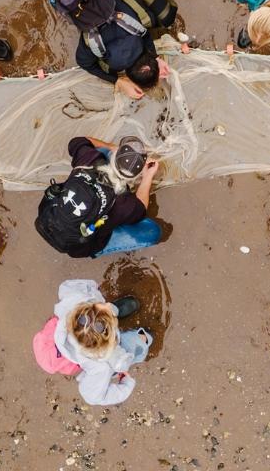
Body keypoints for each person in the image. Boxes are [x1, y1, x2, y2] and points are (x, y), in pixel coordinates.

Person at [45, 0, 177, 100]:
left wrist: (154, 59)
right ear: (127, 74)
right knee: (164, 15)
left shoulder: (138, 25)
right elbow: (84, 63)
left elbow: (146, 34)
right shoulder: (95, 46)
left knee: (165, 14)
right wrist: (117, 80)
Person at [35, 136, 164, 258]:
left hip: (47, 216)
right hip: (79, 246)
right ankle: (99, 246)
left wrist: (110, 147)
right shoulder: (124, 202)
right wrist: (148, 176)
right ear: (133, 177)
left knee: (102, 150)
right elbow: (141, 208)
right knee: (153, 232)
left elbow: (77, 141)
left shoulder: (88, 158)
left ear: (115, 156)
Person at [52, 279, 151, 406]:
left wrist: (92, 287)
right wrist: (126, 383)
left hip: (96, 329)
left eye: (96, 307)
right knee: (142, 343)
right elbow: (93, 397)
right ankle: (144, 337)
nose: (107, 305)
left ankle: (114, 312)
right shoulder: (102, 367)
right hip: (109, 354)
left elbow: (66, 286)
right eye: (107, 308)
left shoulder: (72, 306)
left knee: (106, 311)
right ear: (108, 342)